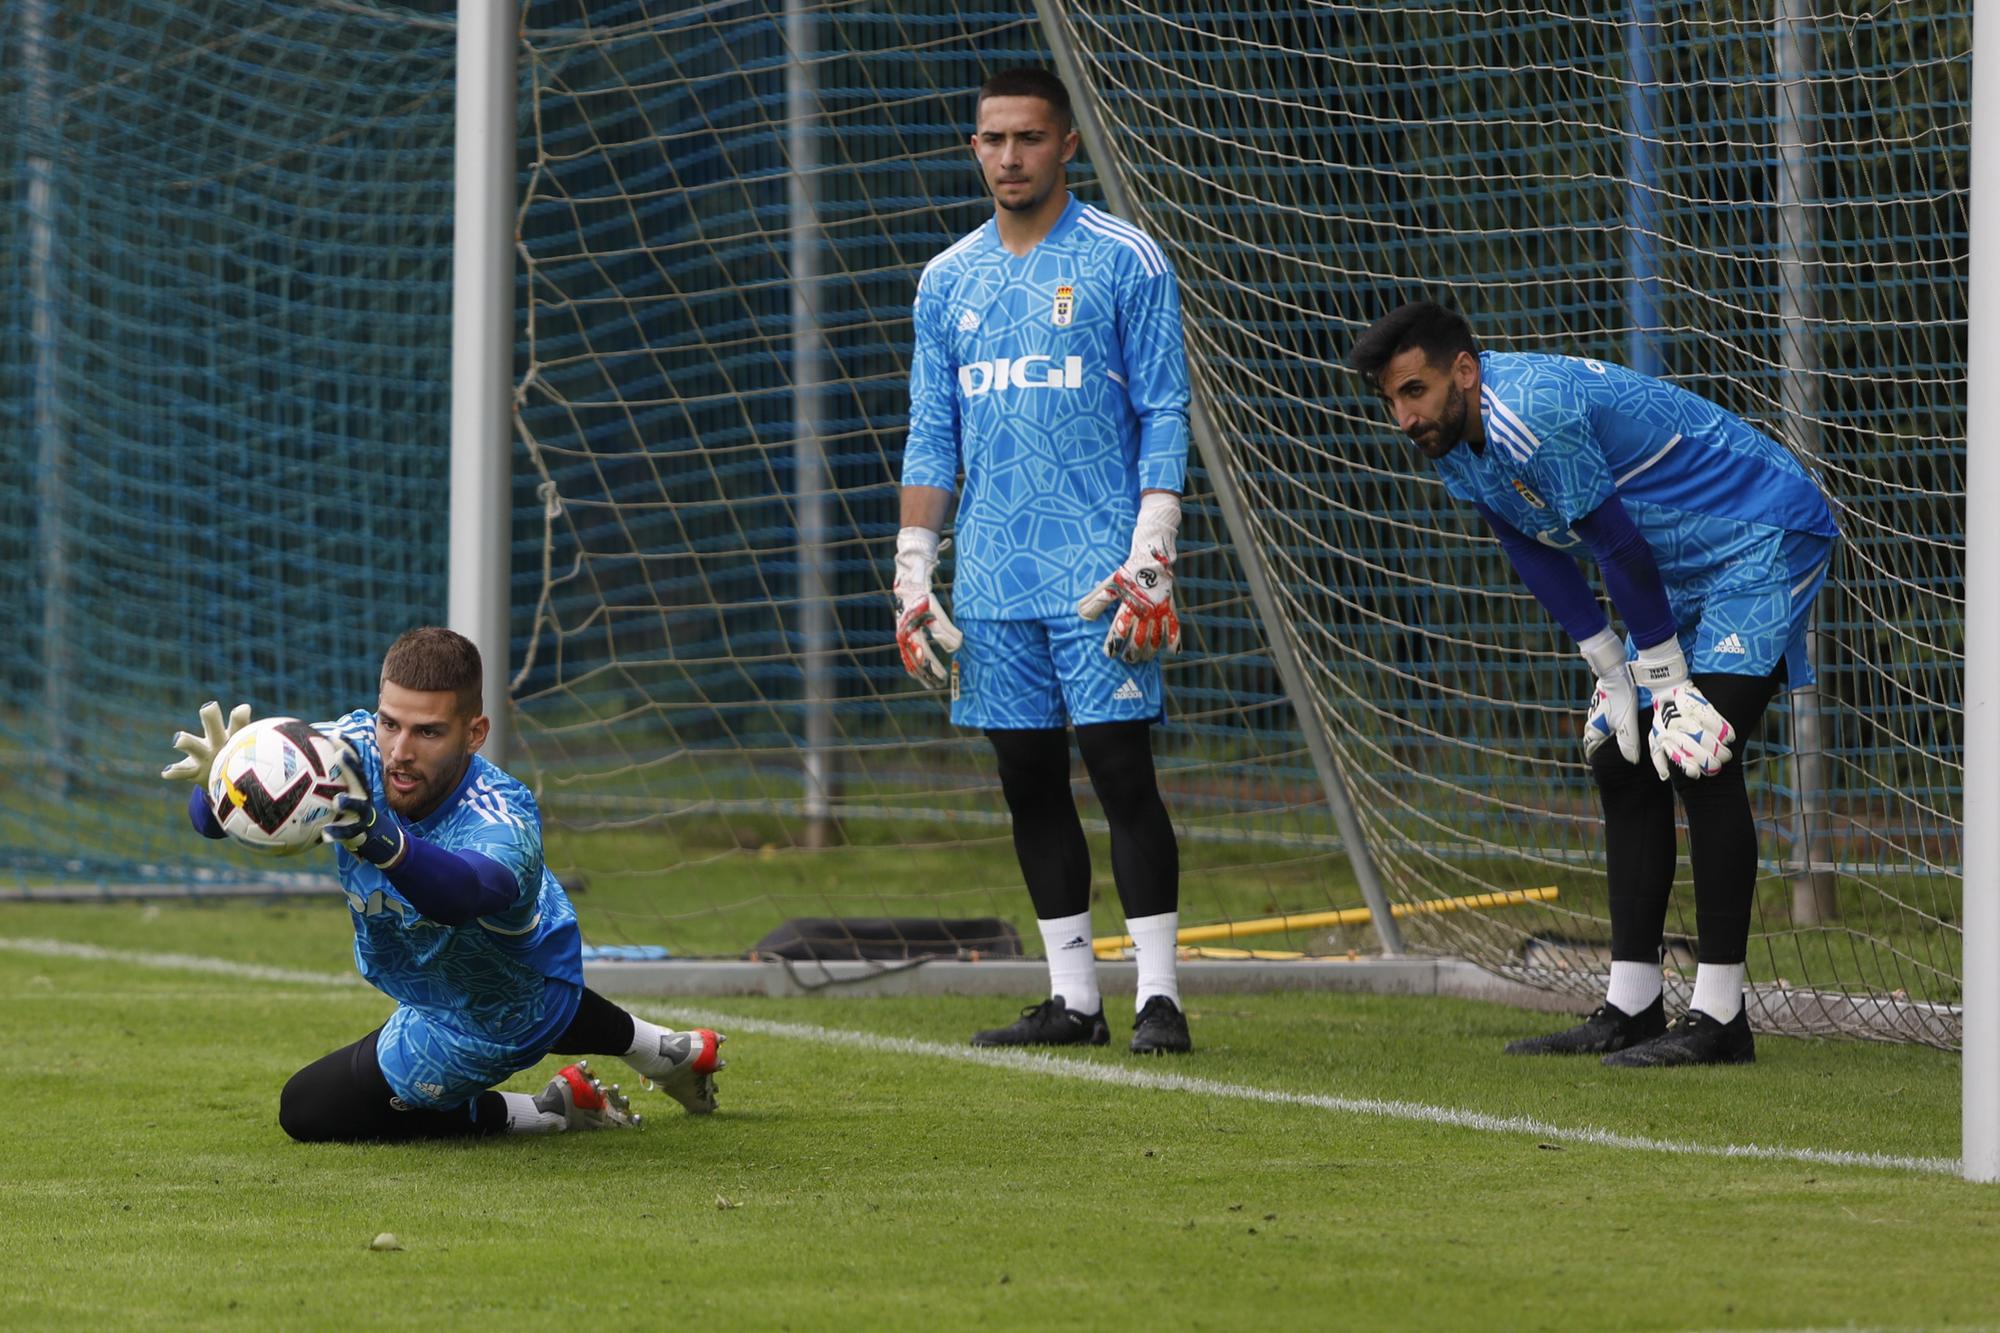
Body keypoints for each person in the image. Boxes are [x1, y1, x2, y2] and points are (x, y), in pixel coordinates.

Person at [1348, 300, 1840, 1067]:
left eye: (1413, 391)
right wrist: (1612, 667)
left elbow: (1615, 545)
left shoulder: (1528, 414)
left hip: (1759, 533)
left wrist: (1669, 681)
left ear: (1464, 372)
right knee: (1621, 758)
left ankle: (1720, 1019)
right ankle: (1634, 1004)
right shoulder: (1450, 440)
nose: (1403, 417)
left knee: (1698, 751)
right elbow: (1528, 543)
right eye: (1391, 401)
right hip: (1678, 564)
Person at [895, 67, 1193, 1054]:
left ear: (1066, 143)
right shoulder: (946, 279)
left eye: (1028, 138)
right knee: (1026, 777)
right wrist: (912, 569)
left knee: (1119, 771)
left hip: (1101, 572)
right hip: (991, 575)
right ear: (972, 147)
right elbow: (931, 434)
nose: (1010, 156)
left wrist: (1151, 547)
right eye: (992, 139)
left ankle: (1159, 998)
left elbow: (1163, 406)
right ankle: (1073, 999)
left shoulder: (1126, 259)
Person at [161, 626, 727, 1139]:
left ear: (474, 732)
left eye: (428, 732)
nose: (399, 753)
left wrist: (377, 835)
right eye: (390, 723)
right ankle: (667, 1051)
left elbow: (463, 896)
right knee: (492, 974)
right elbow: (218, 819)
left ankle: (554, 1109)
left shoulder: (503, 814)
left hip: (492, 1016)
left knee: (307, 1110)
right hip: (455, 970)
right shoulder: (350, 750)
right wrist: (222, 784)